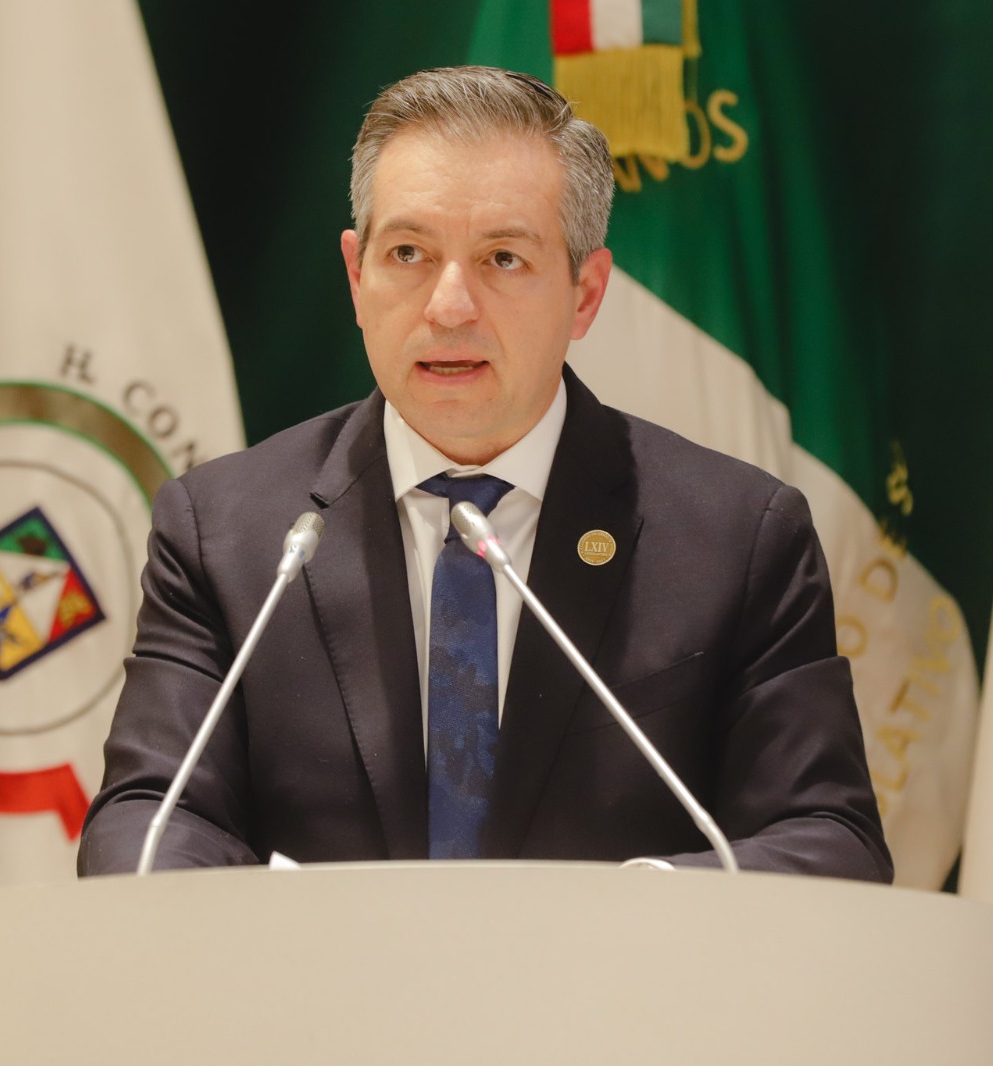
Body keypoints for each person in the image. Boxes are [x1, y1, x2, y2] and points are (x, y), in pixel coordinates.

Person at [77, 66, 892, 881]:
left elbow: (828, 838)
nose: (449, 307)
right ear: (357, 278)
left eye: (503, 258)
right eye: (408, 253)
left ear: (585, 293)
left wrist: (641, 915)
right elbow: (145, 821)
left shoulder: (738, 540)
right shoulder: (226, 534)